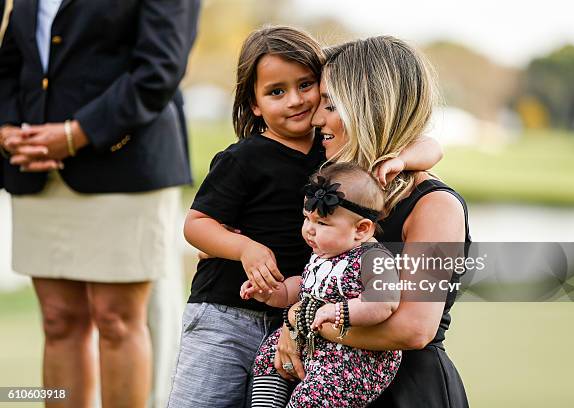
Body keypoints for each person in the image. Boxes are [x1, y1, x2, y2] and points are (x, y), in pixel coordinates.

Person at [167, 25, 442, 408]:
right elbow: (197, 224)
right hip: (233, 310)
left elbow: (429, 144)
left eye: (316, 94)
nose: (306, 110)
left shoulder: (348, 172)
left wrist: (299, 320)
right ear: (254, 104)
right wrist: (240, 247)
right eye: (277, 92)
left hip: (335, 347)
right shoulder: (252, 158)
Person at [0, 1, 200, 407]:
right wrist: (5, 128)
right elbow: (12, 60)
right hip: (38, 167)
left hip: (123, 163)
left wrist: (77, 133)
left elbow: (159, 68)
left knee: (117, 321)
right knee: (57, 321)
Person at [273, 36, 470, 408]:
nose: (317, 120)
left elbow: (414, 328)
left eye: (330, 105)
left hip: (405, 394)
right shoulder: (337, 189)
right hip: (326, 380)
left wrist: (301, 321)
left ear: (370, 109)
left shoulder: (435, 205)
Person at [243, 163, 402, 408]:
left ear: (361, 229)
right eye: (307, 219)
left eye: (322, 224)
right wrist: (274, 292)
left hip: (354, 359)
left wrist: (338, 311)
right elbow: (305, 287)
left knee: (310, 399)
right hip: (317, 346)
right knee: (267, 355)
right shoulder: (325, 253)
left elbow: (385, 302)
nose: (309, 230)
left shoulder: (373, 257)